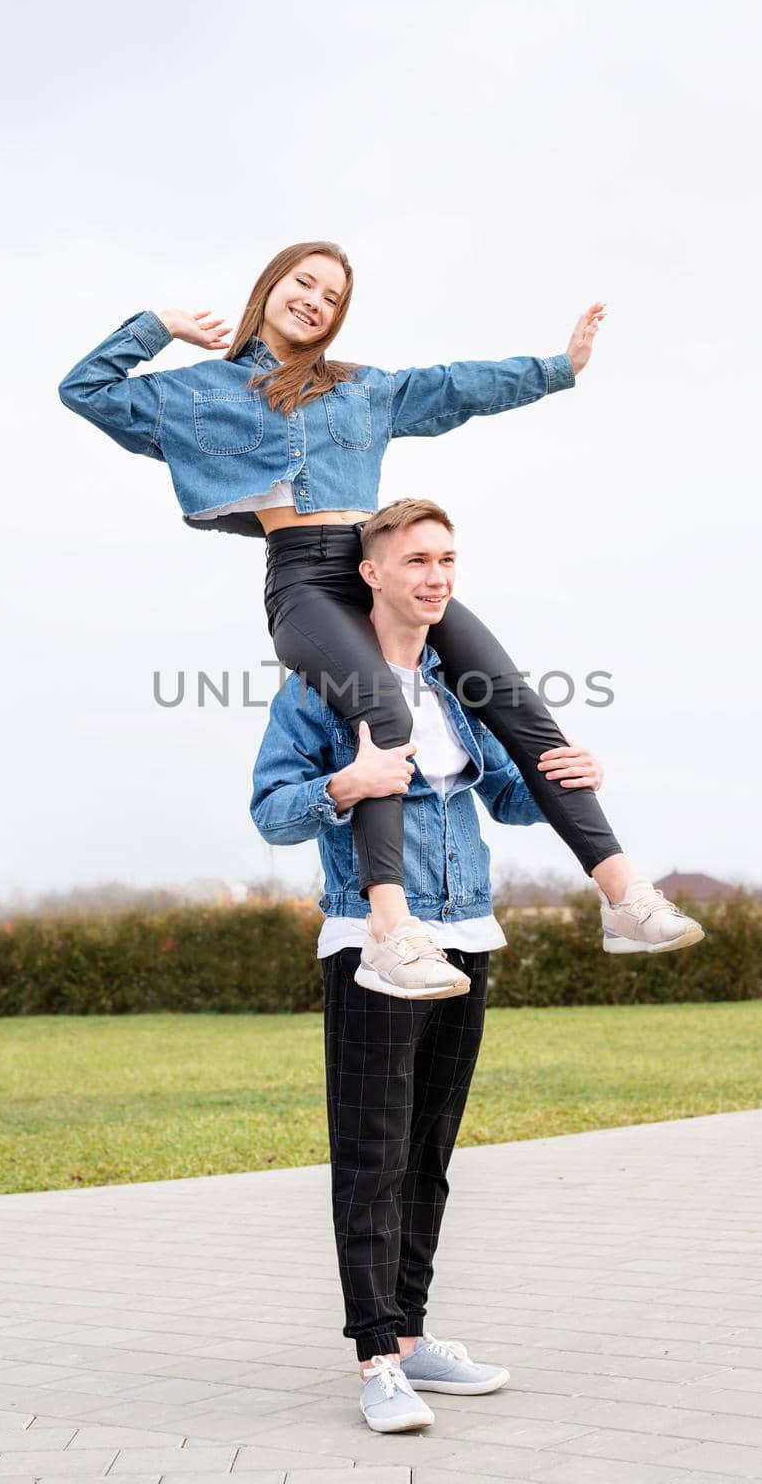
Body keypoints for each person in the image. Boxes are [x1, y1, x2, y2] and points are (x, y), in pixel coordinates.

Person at [59, 242, 704, 988]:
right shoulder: (199, 390)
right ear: (270, 286)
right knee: (383, 712)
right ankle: (392, 931)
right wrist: (160, 324)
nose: (315, 301)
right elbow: (87, 390)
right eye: (305, 283)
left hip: (381, 569)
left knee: (515, 701)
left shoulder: (360, 387)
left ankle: (623, 896)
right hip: (305, 583)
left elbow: (454, 387)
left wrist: (558, 369)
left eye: (332, 297)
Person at [249, 497, 617, 1432]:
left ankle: (412, 1338)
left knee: (428, 1157)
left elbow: (503, 796)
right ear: (371, 573)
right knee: (371, 1158)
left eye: (447, 559)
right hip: (371, 943)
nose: (437, 575)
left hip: (468, 932)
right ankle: (376, 1360)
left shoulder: (460, 690)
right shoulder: (316, 687)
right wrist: (345, 784)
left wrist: (569, 774)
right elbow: (270, 809)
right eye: (416, 559)